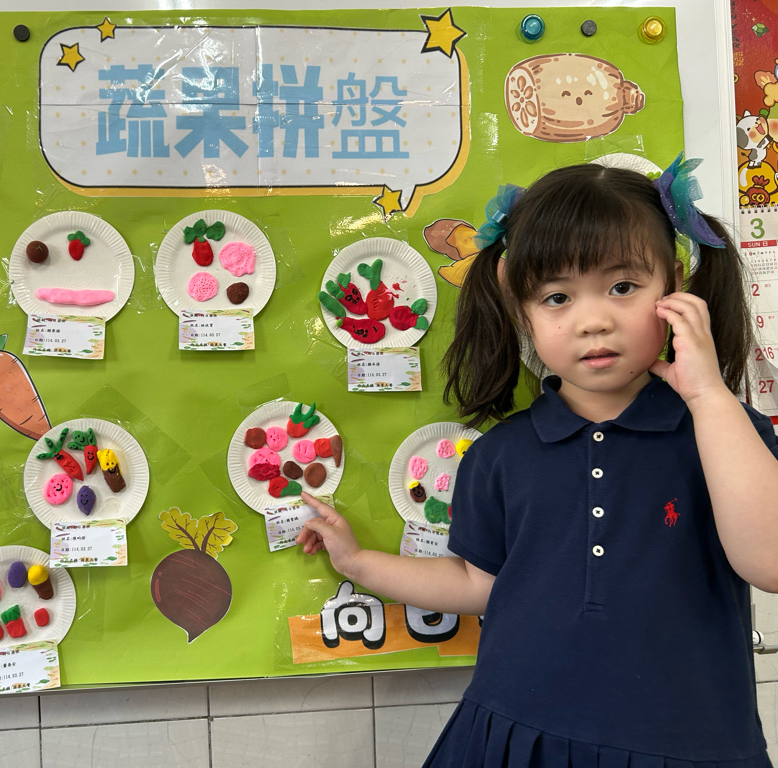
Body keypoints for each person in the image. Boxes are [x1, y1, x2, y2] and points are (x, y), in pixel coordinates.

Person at [297, 155, 778, 766]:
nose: (593, 321)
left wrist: (708, 395)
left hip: (687, 744)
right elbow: (477, 585)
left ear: (674, 287)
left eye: (623, 287)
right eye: (557, 297)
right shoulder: (500, 455)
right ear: (521, 310)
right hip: (516, 737)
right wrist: (358, 562)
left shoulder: (725, 431)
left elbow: (770, 563)